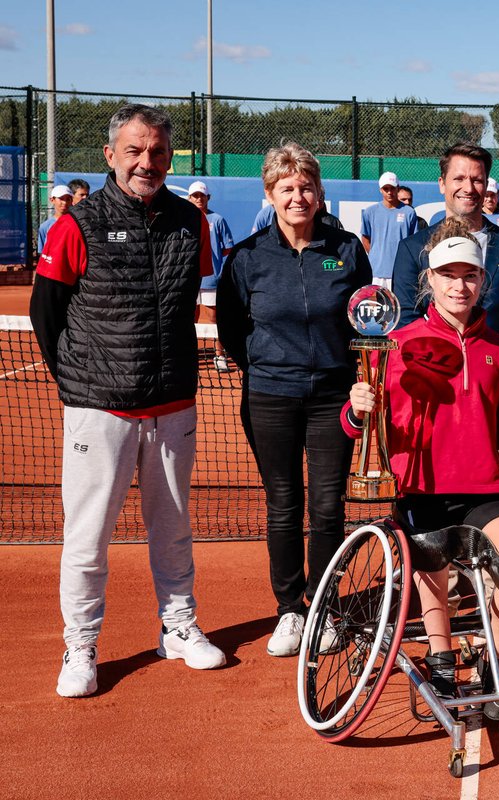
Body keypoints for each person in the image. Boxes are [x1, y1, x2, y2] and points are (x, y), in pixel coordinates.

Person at [30, 103, 227, 698]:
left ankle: (178, 628)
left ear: (170, 159)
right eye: (135, 150)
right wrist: (79, 381)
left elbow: (188, 300)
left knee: (173, 529)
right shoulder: (77, 224)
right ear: (111, 155)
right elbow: (46, 312)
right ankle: (80, 645)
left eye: (158, 152)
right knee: (88, 537)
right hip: (99, 407)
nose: (147, 162)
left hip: (172, 404)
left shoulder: (190, 223)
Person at [344, 226, 499, 720]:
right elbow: (354, 422)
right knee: (430, 563)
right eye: (448, 275)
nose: (459, 286)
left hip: (483, 489)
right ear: (430, 279)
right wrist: (358, 409)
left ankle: (492, 658)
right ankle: (441, 657)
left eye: (469, 276)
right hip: (420, 487)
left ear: (483, 281)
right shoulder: (395, 344)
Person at [217, 142, 372, 658]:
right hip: (270, 397)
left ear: (319, 192)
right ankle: (289, 609)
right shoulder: (247, 257)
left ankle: (321, 606)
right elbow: (232, 328)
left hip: (333, 398)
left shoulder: (347, 250)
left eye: (306, 187)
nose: (297, 197)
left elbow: (364, 319)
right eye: (286, 188)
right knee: (283, 504)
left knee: (328, 507)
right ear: (270, 194)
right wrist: (270, 366)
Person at [393, 142, 499, 506]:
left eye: (477, 179)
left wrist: (492, 362)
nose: (468, 187)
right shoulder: (413, 247)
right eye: (459, 178)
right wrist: (446, 366)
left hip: (496, 391)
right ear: (442, 183)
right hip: (433, 396)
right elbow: (407, 317)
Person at [187, 180, 237, 373]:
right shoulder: (183, 218)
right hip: (187, 279)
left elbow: (227, 249)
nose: (199, 199)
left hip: (210, 279)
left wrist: (214, 265)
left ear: (208, 198)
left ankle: (219, 356)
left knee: (214, 319)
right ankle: (189, 356)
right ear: (189, 198)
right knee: (187, 318)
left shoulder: (217, 220)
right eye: (195, 196)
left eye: (202, 196)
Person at [360, 171, 419, 289]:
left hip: (401, 272)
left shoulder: (409, 212)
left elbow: (414, 241)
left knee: (398, 301)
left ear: (397, 188)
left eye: (392, 188)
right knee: (376, 301)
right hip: (376, 273)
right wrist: (377, 256)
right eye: (385, 189)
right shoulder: (370, 212)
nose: (389, 192)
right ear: (380, 190)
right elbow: (365, 238)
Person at [38, 185, 73, 251]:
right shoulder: (45, 226)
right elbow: (42, 252)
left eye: (68, 199)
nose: (65, 202)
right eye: (61, 198)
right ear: (52, 200)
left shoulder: (77, 223)